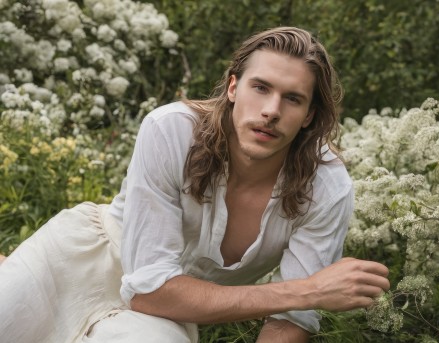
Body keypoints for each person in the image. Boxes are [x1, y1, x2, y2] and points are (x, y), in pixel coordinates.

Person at [0, 27, 389, 342]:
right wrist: (310, 291)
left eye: (292, 98)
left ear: (308, 116)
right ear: (233, 88)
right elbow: (149, 287)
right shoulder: (171, 130)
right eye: (261, 88)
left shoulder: (327, 186)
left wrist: (300, 300)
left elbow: (288, 322)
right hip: (81, 261)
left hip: (166, 318)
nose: (271, 111)